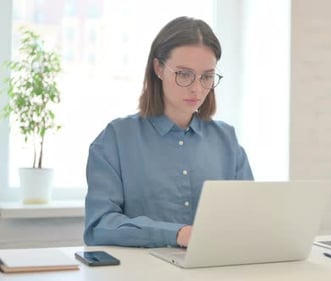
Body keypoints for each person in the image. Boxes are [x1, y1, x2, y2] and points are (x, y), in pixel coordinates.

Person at [84, 16, 254, 248]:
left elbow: (251, 219)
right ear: (159, 68)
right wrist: (177, 234)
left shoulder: (227, 141)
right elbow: (99, 226)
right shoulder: (116, 138)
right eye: (184, 74)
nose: (197, 88)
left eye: (207, 76)